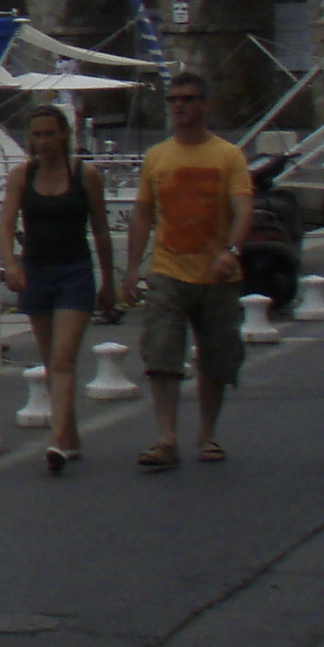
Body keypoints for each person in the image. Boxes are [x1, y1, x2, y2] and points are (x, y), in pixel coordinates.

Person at [123, 70, 254, 470]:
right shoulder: (157, 156)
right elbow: (143, 214)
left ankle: (208, 434)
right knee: (161, 352)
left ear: (205, 105)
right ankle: (166, 438)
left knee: (216, 356)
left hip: (216, 272)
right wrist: (131, 270)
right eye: (174, 99)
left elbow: (243, 207)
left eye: (189, 99)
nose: (180, 106)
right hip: (167, 270)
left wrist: (232, 250)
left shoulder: (228, 155)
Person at [0, 106, 116, 473]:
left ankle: (56, 443)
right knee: (52, 363)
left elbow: (100, 229)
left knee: (65, 359)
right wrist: (12, 265)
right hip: (36, 273)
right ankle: (72, 436)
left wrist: (110, 280)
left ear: (64, 135)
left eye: (49, 134)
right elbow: (5, 227)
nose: (43, 142)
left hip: (74, 272)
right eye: (36, 135)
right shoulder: (22, 176)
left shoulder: (85, 175)